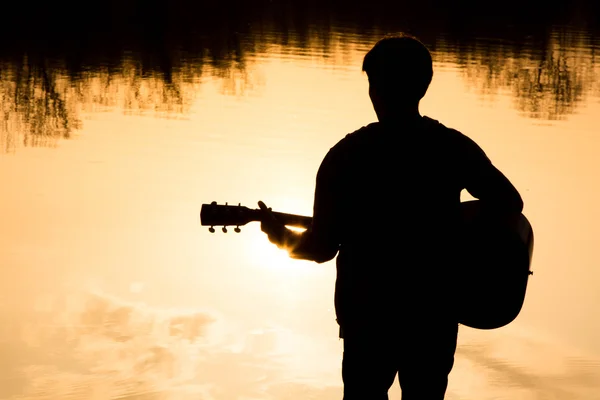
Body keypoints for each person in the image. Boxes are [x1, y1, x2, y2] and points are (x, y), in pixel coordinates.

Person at [258, 34, 523, 400]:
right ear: (423, 86)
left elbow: (321, 248)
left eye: (374, 83)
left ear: (376, 88)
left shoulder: (346, 157)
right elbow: (510, 202)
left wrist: (279, 236)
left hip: (368, 318)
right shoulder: (451, 147)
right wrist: (456, 230)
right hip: (433, 315)